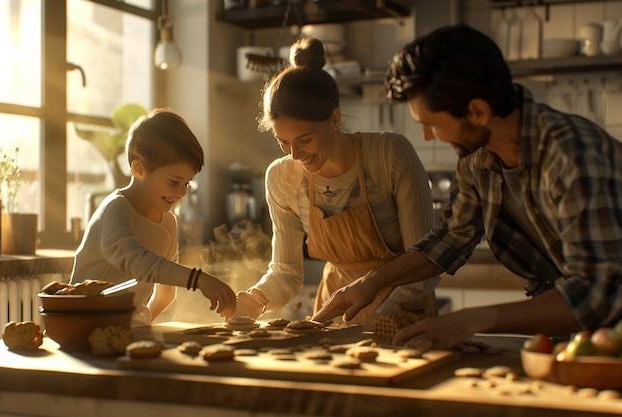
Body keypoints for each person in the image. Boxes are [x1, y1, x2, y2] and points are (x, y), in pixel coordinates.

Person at [312, 24, 622, 348]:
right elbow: (451, 238)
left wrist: (472, 319)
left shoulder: (572, 157)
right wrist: (373, 282)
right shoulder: (478, 158)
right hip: (587, 336)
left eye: (430, 124)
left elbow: (593, 295)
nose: (428, 136)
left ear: (478, 111)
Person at [229, 37, 440, 326]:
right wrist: (256, 298)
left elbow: (426, 262)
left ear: (335, 118)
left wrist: (378, 317)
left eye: (305, 139)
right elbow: (286, 273)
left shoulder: (389, 156)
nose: (295, 154)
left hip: (402, 314)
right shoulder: (282, 178)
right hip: (334, 317)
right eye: (283, 142)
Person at [70, 108, 236, 327]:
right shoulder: (116, 208)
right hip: (80, 325)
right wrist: (199, 279)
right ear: (139, 169)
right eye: (174, 182)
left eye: (186, 183)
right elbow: (139, 263)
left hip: (119, 331)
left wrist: (143, 323)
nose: (182, 191)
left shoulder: (168, 223)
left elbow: (166, 294)